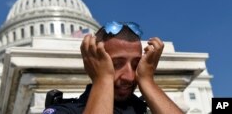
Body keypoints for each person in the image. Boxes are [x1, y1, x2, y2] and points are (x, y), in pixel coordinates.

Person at [43, 21, 183, 114]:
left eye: (136, 64)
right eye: (116, 64)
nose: (129, 76)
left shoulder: (148, 110)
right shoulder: (65, 111)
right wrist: (103, 80)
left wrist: (147, 80)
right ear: (94, 62)